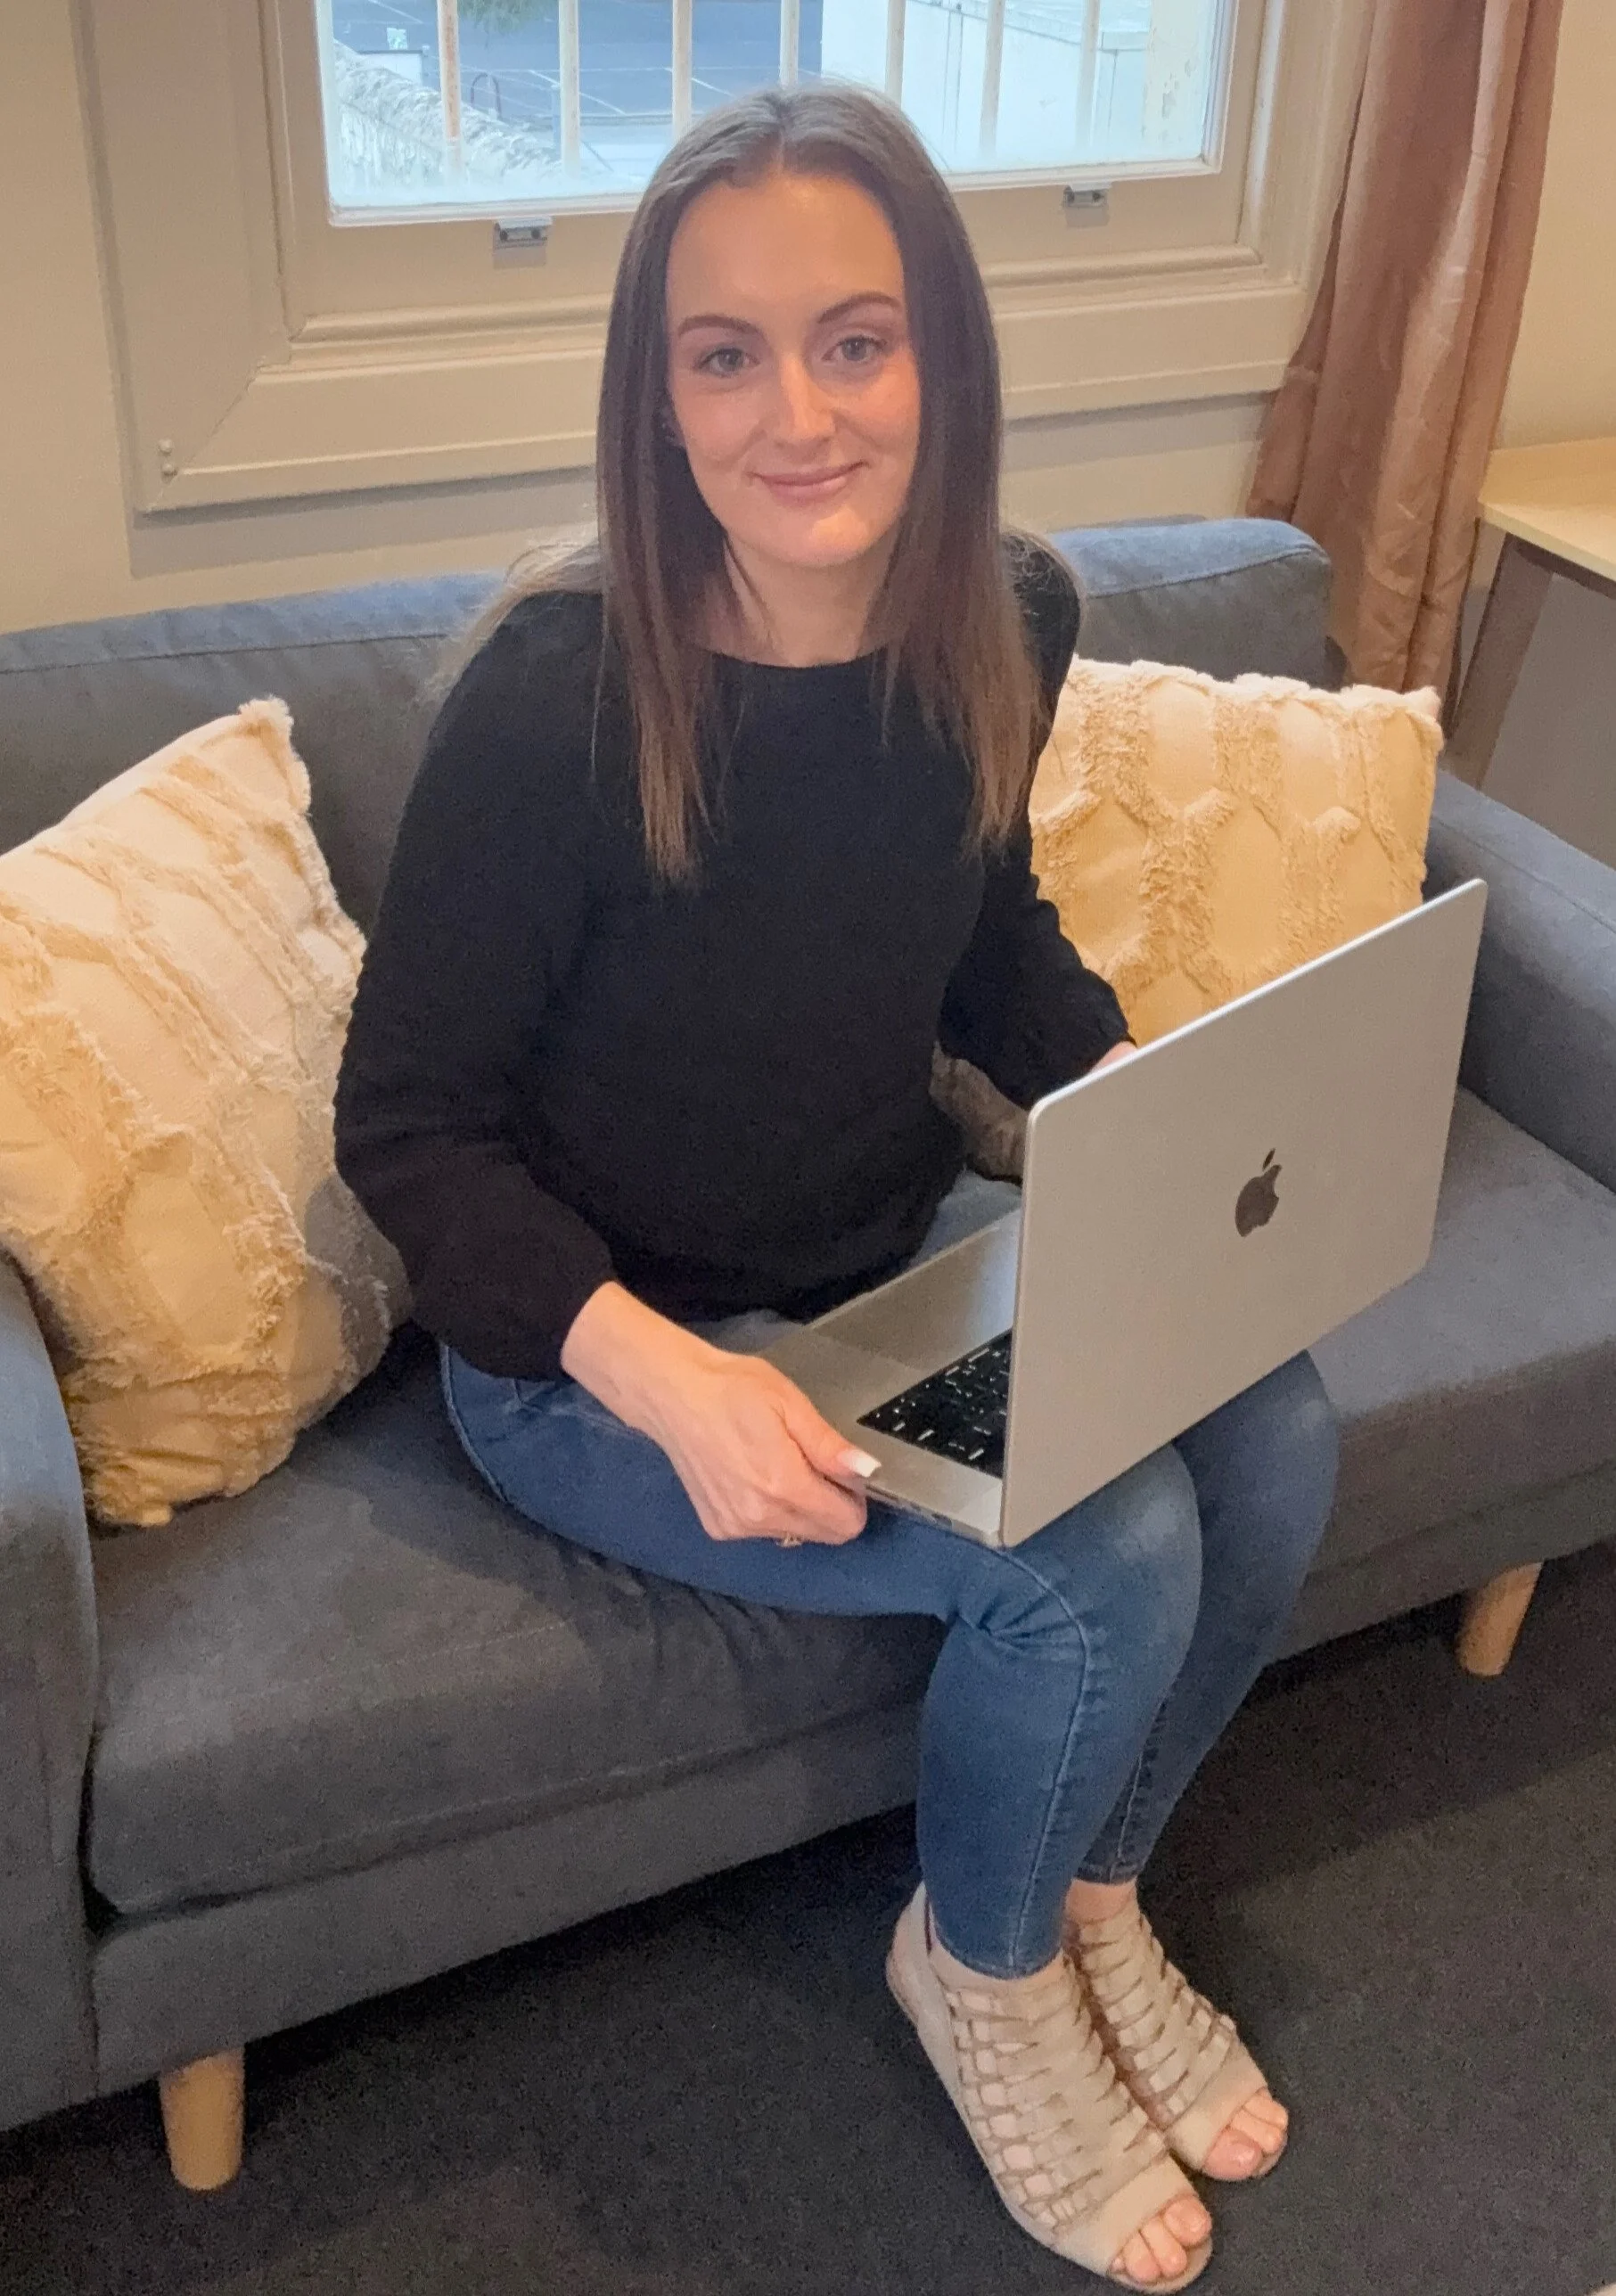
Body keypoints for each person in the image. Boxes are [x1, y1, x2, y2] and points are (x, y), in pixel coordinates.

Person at [333, 83, 1340, 2292]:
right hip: (597, 1350)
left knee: (1275, 1418)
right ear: (659, 394)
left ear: (942, 360)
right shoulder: (553, 698)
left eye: (857, 339)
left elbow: (990, 948)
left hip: (883, 1258)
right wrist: (666, 1377)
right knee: (1097, 1554)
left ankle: (1090, 1896)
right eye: (727, 353)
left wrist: (1170, 1127)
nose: (799, 410)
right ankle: (973, 1971)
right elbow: (405, 1130)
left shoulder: (1004, 615)